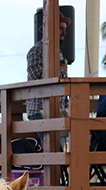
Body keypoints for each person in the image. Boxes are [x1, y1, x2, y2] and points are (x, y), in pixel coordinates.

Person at [26, 12, 71, 147]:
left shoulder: (59, 52)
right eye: (60, 28)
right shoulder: (36, 51)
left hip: (57, 110)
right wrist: (61, 69)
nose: (64, 32)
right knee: (53, 149)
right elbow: (36, 77)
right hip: (40, 109)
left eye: (65, 28)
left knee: (57, 149)